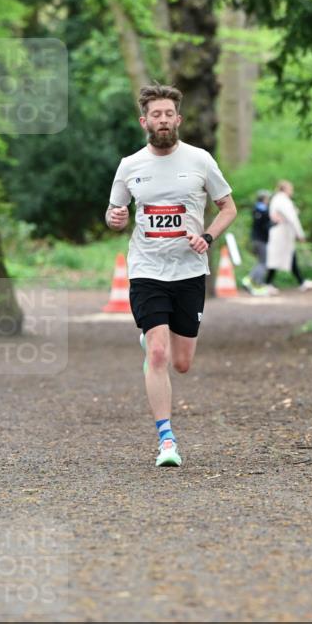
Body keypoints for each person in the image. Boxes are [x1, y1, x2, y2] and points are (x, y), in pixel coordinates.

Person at [106, 83, 237, 467]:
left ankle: (154, 342)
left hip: (190, 271)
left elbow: (228, 208)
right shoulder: (130, 165)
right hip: (146, 269)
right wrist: (115, 218)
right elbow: (115, 214)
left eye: (168, 114)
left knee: (182, 362)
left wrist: (208, 236)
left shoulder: (200, 160)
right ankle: (167, 440)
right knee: (159, 352)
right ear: (144, 121)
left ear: (177, 119)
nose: (162, 121)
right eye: (155, 115)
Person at [265, 180, 312, 293]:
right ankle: (267, 283)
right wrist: (300, 234)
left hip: (282, 234)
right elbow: (292, 218)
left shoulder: (279, 199)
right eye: (291, 189)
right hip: (281, 234)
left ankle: (301, 282)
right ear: (285, 189)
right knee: (276, 258)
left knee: (289, 257)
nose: (292, 191)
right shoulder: (282, 199)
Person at [241, 189, 271, 294]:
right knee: (263, 263)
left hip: (255, 239)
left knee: (260, 262)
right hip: (261, 240)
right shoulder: (263, 211)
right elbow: (266, 226)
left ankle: (252, 282)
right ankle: (253, 281)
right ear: (264, 199)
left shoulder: (256, 209)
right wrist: (275, 223)